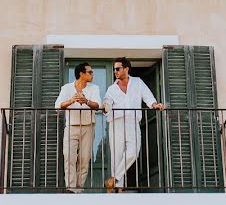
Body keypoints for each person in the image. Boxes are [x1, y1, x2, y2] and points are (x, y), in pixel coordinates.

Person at [102, 57, 164, 192]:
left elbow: (148, 97)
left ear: (126, 69)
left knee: (133, 152)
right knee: (116, 155)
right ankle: (118, 188)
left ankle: (114, 179)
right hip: (116, 122)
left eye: (118, 69)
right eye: (114, 69)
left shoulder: (137, 82)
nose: (115, 72)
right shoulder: (112, 89)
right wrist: (105, 106)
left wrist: (154, 104)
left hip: (133, 121)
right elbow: (107, 102)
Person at [54, 62, 101, 192]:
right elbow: (57, 105)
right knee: (69, 156)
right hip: (71, 126)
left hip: (88, 127)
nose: (92, 74)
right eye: (90, 72)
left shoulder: (94, 88)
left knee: (85, 159)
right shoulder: (67, 88)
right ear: (81, 74)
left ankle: (79, 189)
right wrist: (71, 100)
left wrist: (86, 101)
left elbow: (97, 105)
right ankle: (71, 188)